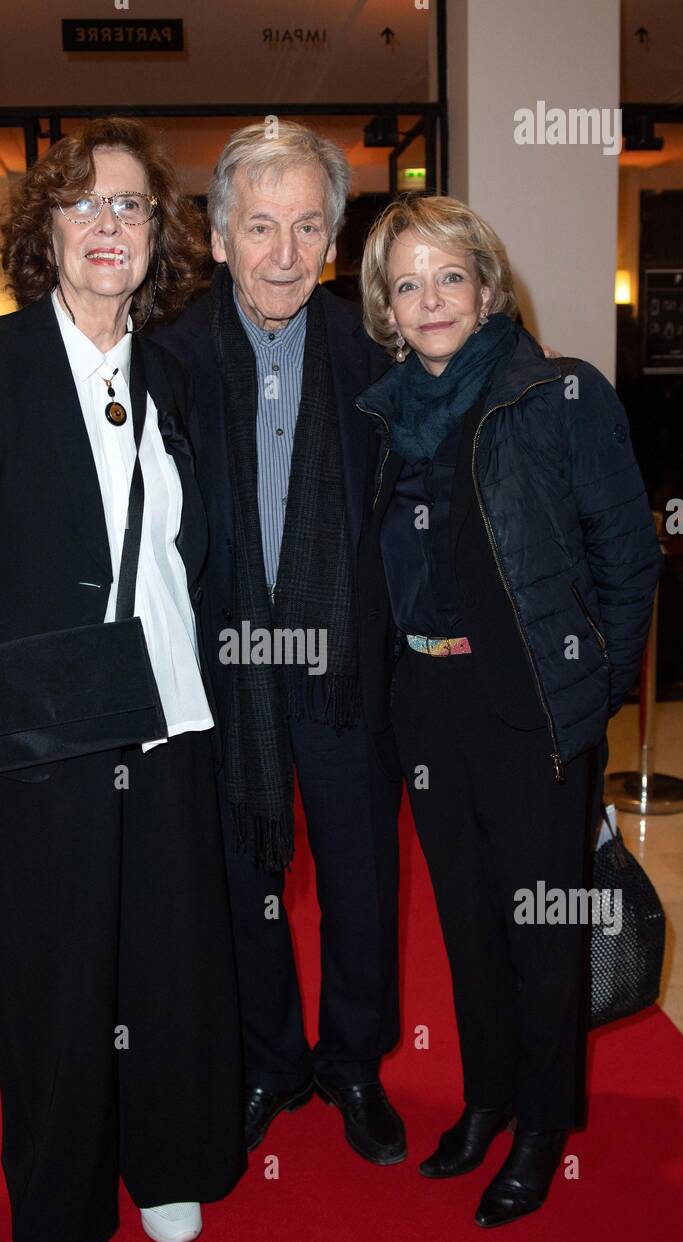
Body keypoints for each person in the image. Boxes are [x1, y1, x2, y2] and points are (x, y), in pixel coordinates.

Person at [0, 116, 247, 1242]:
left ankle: (170, 1165)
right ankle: (58, 1200)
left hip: (167, 717)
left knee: (170, 954)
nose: (110, 224)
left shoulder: (175, 372)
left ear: (158, 236)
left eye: (133, 207)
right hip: (40, 728)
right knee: (51, 976)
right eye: (86, 203)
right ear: (45, 227)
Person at [356, 194, 663, 1227]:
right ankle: (487, 1095)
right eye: (406, 283)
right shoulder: (384, 415)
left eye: (448, 275)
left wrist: (589, 693)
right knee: (468, 918)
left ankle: (541, 1122)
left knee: (542, 927)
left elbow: (628, 556)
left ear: (487, 287)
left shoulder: (558, 394)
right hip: (425, 701)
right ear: (386, 310)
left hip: (530, 701)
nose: (429, 298)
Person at [153, 122, 408, 1164]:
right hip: (222, 676)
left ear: (335, 241)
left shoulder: (374, 352)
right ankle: (269, 1058)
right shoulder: (165, 361)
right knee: (241, 877)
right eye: (259, 226)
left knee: (359, 878)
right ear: (217, 238)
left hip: (345, 668)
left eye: (308, 226)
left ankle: (352, 1062)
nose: (284, 253)